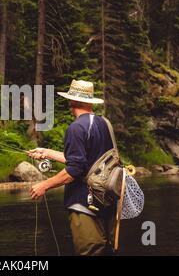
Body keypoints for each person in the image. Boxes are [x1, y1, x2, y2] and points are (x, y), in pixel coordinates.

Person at [28, 79, 117, 256]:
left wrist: (43, 186)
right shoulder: (104, 123)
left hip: (84, 203)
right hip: (109, 199)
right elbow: (87, 162)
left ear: (72, 101)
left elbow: (75, 170)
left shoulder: (76, 128)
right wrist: (47, 152)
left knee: (90, 251)